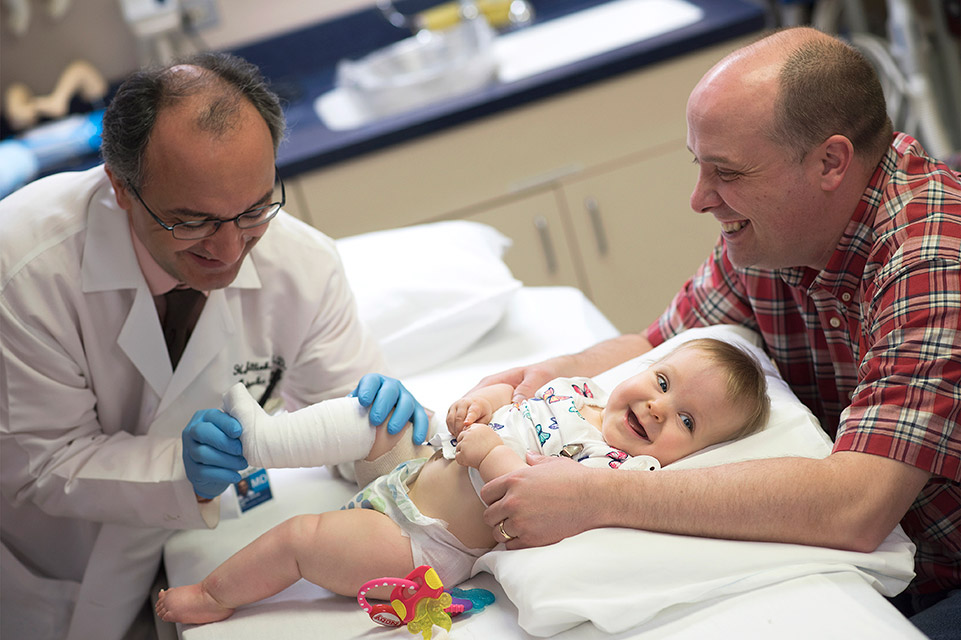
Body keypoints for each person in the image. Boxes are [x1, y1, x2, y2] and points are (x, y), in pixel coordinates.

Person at [467, 26, 961, 637]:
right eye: (700, 165)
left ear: (830, 162)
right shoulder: (777, 234)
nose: (700, 199)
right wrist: (545, 376)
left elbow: (856, 505)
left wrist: (598, 500)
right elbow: (659, 343)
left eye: (726, 171)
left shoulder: (933, 265)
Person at [0, 52, 428, 640]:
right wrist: (183, 470)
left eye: (253, 211)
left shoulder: (304, 266)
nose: (229, 251)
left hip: (196, 551)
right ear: (122, 188)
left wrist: (383, 429)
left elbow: (358, 437)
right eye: (191, 221)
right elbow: (42, 462)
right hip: (62, 568)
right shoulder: (25, 267)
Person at [153, 338, 770, 624]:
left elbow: (532, 507)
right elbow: (510, 394)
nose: (659, 408)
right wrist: (482, 404)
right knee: (368, 417)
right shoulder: (579, 393)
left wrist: (492, 451)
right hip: (412, 470)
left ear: (690, 455)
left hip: (423, 544)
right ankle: (267, 443)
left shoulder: (618, 471)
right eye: (663, 383)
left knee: (302, 539)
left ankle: (214, 594)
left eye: (686, 421)